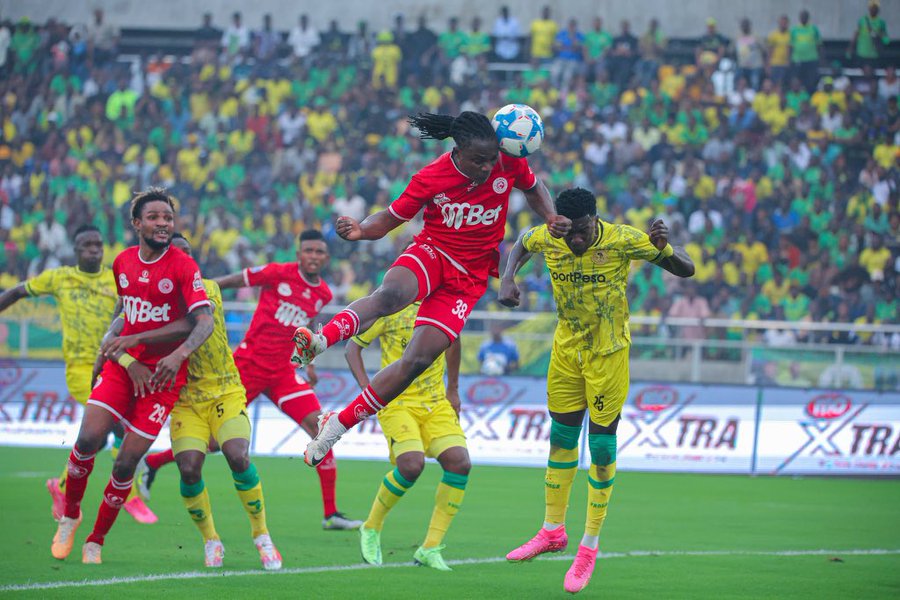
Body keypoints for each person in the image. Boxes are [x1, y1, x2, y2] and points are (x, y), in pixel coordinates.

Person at [293, 110, 570, 467]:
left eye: (491, 160)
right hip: (434, 251)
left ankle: (336, 425)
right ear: (458, 151)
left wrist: (550, 216)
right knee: (390, 296)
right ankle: (321, 340)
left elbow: (534, 187)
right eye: (479, 161)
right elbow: (390, 218)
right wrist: (361, 230)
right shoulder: (431, 176)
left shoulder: (507, 161)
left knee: (417, 361)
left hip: (468, 279)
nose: (488, 168)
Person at [498, 187, 694, 594]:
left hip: (608, 354)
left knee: (602, 449)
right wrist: (508, 277)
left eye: (583, 231)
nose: (575, 240)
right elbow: (521, 243)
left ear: (596, 220)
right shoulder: (550, 235)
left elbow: (686, 269)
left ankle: (588, 547)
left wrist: (665, 249)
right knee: (561, 438)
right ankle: (552, 531)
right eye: (568, 232)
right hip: (566, 352)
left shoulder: (623, 239)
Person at [50, 188, 214, 564]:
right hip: (124, 369)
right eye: (154, 217)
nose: (163, 223)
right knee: (87, 439)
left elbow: (201, 321)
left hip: (162, 379)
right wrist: (108, 352)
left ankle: (96, 540)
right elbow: (125, 314)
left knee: (125, 463)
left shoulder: (184, 266)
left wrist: (178, 354)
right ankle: (70, 517)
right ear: (137, 223)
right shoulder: (123, 262)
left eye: (168, 217)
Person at [105, 234, 281, 570]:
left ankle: (262, 535)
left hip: (224, 390)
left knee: (237, 455)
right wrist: (127, 357)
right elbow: (112, 337)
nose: (185, 260)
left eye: (189, 254)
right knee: (188, 469)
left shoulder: (207, 288)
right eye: (178, 254)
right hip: (184, 399)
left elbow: (196, 322)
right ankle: (211, 540)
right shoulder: (151, 301)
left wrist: (149, 337)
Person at [0, 225, 156, 524]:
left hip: (115, 363)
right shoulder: (60, 278)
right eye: (87, 245)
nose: (94, 250)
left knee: (96, 438)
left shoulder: (115, 279)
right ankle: (131, 495)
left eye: (98, 245)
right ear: (76, 250)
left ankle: (60, 486)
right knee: (116, 423)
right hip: (81, 368)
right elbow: (19, 291)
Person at [213, 230, 362, 531]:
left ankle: (331, 514)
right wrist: (203, 288)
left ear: (326, 257)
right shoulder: (277, 272)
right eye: (309, 250)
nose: (314, 256)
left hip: (282, 372)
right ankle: (154, 463)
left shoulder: (323, 294)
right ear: (299, 254)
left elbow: (307, 324)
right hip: (248, 366)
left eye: (319, 252)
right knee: (214, 441)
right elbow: (236, 280)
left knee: (323, 430)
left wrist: (310, 362)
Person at [345, 302, 468, 571]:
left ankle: (430, 548)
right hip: (396, 402)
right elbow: (352, 348)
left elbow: (454, 341)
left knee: (459, 463)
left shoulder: (443, 305)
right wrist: (368, 390)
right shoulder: (391, 305)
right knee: (411, 465)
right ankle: (371, 527)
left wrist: (453, 389)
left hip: (435, 403)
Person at [790, 9, 822, 93]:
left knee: (811, 80)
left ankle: (810, 95)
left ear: (808, 18)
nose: (803, 18)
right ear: (799, 18)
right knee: (797, 80)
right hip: (798, 59)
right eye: (802, 16)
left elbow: (819, 45)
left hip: (811, 59)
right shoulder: (794, 30)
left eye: (805, 16)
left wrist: (820, 59)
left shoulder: (814, 29)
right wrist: (790, 60)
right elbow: (791, 46)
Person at [849, 0, 889, 67]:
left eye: (875, 8)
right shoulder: (862, 20)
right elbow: (856, 34)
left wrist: (877, 33)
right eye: (872, 7)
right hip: (861, 54)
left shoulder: (881, 22)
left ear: (878, 9)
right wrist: (850, 48)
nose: (873, 9)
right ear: (869, 8)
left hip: (874, 55)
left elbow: (886, 40)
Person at [767, 15, 791, 87]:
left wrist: (789, 62)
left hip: (785, 64)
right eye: (782, 23)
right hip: (775, 64)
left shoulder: (790, 35)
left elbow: (790, 50)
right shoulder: (773, 35)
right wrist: (768, 65)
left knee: (783, 85)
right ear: (779, 23)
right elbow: (770, 50)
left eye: (785, 23)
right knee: (774, 84)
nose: (783, 24)